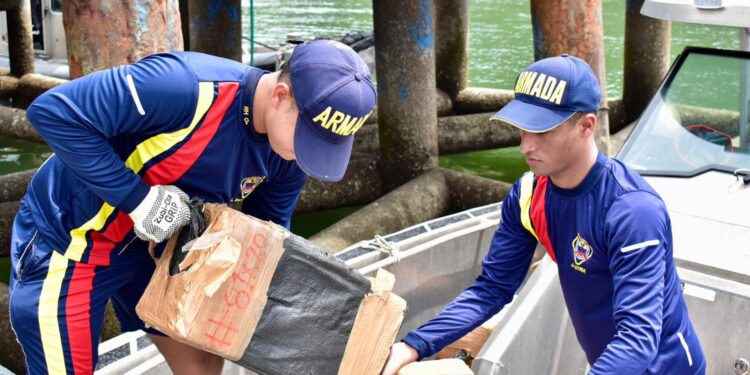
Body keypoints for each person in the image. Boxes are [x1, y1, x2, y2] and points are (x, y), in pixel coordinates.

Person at [8, 39, 376, 375]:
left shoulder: (289, 158)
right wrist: (138, 200)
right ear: (280, 96)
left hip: (160, 252)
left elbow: (267, 238)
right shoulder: (183, 86)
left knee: (202, 364)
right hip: (72, 241)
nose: (309, 156)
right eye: (308, 139)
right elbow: (53, 113)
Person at [381, 55, 706, 375]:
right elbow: (491, 289)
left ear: (586, 126)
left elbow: (637, 338)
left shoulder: (633, 211)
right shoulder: (528, 194)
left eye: (542, 131)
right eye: (523, 129)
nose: (526, 147)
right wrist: (413, 345)